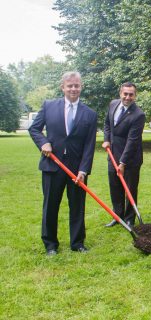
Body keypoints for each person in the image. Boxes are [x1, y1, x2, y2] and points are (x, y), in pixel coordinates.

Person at [29, 71, 97, 255]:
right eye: (70, 85)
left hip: (76, 169)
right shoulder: (49, 106)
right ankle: (50, 245)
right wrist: (44, 143)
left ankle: (77, 243)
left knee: (77, 206)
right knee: (51, 205)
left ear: (81, 87)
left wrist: (84, 170)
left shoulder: (90, 114)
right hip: (52, 166)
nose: (74, 89)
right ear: (63, 87)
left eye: (77, 85)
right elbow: (34, 128)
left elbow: (90, 146)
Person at [102, 82, 145, 228]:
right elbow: (107, 124)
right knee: (115, 187)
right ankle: (117, 215)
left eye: (131, 94)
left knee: (130, 189)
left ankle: (130, 219)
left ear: (135, 95)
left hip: (130, 158)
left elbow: (132, 141)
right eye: (125, 94)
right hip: (112, 154)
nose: (127, 97)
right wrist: (107, 139)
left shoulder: (138, 115)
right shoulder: (113, 104)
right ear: (120, 93)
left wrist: (123, 163)